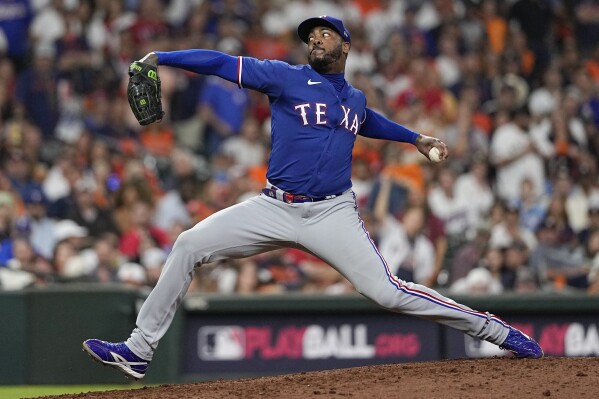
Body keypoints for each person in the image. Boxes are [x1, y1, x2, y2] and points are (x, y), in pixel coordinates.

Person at [82, 16, 543, 380]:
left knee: (387, 292)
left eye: (326, 34)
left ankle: (495, 330)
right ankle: (139, 350)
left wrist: (414, 137)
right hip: (272, 206)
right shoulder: (284, 77)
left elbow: (368, 120)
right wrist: (162, 55)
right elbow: (221, 62)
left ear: (345, 46)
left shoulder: (355, 99)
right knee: (188, 244)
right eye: (311, 36)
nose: (316, 40)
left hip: (331, 213)